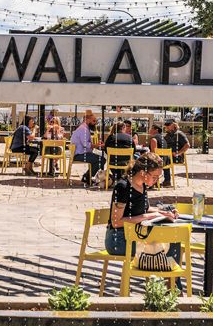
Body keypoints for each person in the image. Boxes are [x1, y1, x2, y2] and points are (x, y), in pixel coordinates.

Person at [104, 153, 182, 288]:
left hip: (136, 235)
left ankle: (170, 289)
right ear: (142, 172)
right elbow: (116, 222)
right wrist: (145, 217)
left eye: (159, 177)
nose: (157, 180)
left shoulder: (142, 186)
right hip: (119, 239)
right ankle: (170, 290)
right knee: (166, 248)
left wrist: (162, 212)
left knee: (174, 241)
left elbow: (142, 209)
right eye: (155, 176)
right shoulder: (123, 187)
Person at [71, 110, 106, 185]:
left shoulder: (83, 128)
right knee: (101, 159)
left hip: (79, 154)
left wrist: (95, 145)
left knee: (99, 159)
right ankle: (88, 178)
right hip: (79, 155)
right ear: (87, 119)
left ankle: (87, 177)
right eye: (93, 121)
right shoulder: (84, 129)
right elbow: (86, 144)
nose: (95, 123)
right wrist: (97, 145)